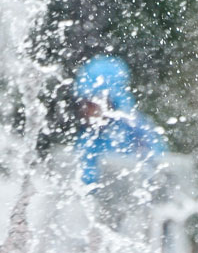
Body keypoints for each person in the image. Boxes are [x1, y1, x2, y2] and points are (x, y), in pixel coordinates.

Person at [72, 54, 167, 188]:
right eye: (84, 104)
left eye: (93, 104)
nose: (87, 111)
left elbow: (159, 172)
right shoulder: (88, 136)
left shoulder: (138, 132)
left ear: (111, 102)